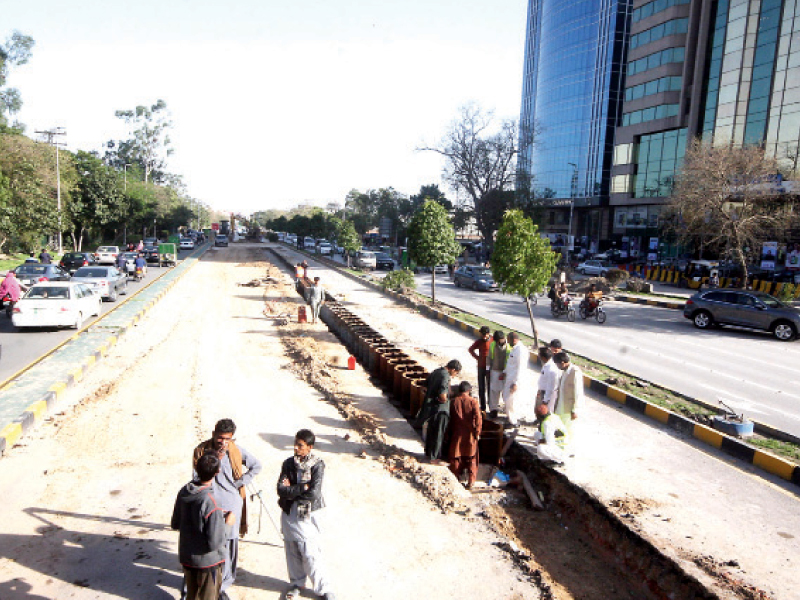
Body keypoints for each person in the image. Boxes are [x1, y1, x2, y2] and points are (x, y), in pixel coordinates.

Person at [192, 419, 262, 599]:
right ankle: (206, 585)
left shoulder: (236, 451)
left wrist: (240, 482)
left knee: (229, 547)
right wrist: (214, 459)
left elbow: (256, 466)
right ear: (214, 434)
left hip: (231, 506)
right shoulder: (201, 451)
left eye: (227, 439)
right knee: (208, 545)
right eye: (220, 438)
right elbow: (195, 478)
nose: (223, 442)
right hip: (210, 505)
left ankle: (223, 586)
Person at [277, 429, 336, 600]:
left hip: (307, 511)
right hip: (289, 510)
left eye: (300, 446)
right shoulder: (288, 463)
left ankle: (324, 589)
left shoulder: (317, 464)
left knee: (310, 552)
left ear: (309, 447)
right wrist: (302, 487)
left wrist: (292, 490)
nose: (296, 448)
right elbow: (281, 490)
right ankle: (296, 583)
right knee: (292, 548)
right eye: (295, 444)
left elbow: (314, 493)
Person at [172, 452, 236, 600]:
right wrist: (227, 523)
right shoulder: (211, 501)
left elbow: (175, 523)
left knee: (192, 596)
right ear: (217, 472)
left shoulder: (184, 491)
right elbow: (215, 542)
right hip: (208, 563)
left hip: (188, 558)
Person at [419, 359, 462, 463]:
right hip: (440, 410)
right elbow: (443, 395)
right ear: (452, 369)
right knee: (438, 434)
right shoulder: (445, 376)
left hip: (431, 409)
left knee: (431, 431)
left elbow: (423, 388)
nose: (454, 375)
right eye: (456, 373)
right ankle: (434, 458)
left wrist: (431, 397)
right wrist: (444, 399)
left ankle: (428, 453)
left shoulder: (436, 371)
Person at [448, 381, 482, 489]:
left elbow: (449, 419)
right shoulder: (473, 402)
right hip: (470, 434)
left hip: (457, 433)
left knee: (456, 457)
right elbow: (478, 418)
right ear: (468, 390)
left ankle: (456, 478)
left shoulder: (453, 402)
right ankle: (471, 482)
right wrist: (477, 432)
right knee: (472, 458)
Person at [503, 332, 532, 426]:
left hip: (514, 380)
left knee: (511, 400)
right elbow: (511, 364)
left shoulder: (521, 350)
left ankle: (513, 422)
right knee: (508, 399)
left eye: (509, 340)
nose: (507, 342)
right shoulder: (515, 349)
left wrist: (516, 383)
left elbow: (521, 368)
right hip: (509, 378)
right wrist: (505, 372)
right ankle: (511, 418)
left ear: (514, 340)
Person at [553, 352, 584, 436]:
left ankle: (566, 446)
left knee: (567, 430)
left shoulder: (575, 372)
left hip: (568, 409)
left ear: (562, 363)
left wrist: (575, 410)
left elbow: (578, 392)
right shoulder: (564, 371)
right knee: (559, 427)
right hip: (560, 406)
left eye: (557, 364)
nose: (557, 367)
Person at [468, 326, 492, 411]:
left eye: (485, 335)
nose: (484, 337)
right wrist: (478, 358)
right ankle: (483, 407)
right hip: (481, 367)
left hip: (490, 368)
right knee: (481, 388)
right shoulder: (479, 341)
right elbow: (470, 349)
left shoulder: (493, 341)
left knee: (490, 387)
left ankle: (491, 406)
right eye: (482, 335)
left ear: (488, 334)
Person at [487, 331, 510, 418]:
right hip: (495, 371)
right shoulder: (492, 345)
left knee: (506, 392)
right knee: (494, 391)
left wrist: (506, 372)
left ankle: (508, 411)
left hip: (506, 372)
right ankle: (493, 409)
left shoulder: (509, 346)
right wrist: (488, 369)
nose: (498, 342)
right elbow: (489, 357)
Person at [536, 347, 561, 412]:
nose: (539, 357)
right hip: (542, 392)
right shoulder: (547, 365)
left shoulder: (552, 369)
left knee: (545, 412)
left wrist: (545, 400)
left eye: (539, 355)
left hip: (547, 394)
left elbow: (551, 387)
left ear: (543, 357)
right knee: (539, 410)